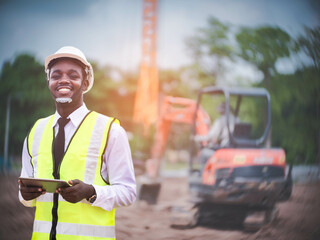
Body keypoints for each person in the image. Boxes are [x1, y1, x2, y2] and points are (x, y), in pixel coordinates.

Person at [18, 46, 136, 240]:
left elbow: (128, 192)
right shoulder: (36, 132)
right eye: (56, 75)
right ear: (49, 81)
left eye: (73, 75)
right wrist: (25, 195)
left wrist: (91, 192)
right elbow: (24, 195)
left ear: (86, 81)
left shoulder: (110, 131)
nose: (63, 80)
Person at [194, 102, 239, 168]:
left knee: (204, 152)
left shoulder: (220, 120)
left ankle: (205, 174)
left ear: (223, 110)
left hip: (225, 148)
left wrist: (197, 138)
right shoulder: (237, 119)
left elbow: (210, 136)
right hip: (235, 147)